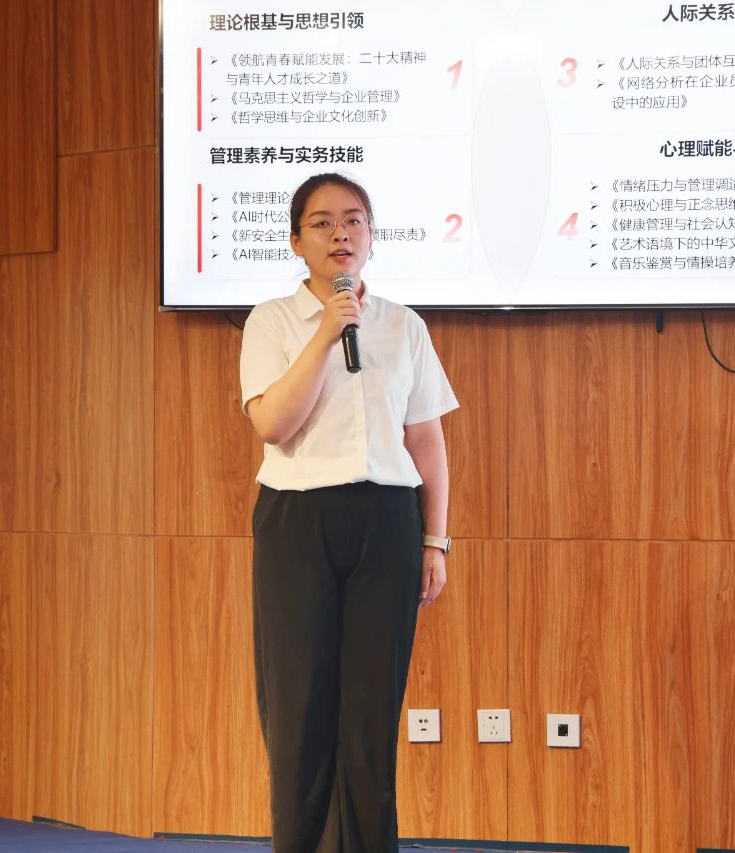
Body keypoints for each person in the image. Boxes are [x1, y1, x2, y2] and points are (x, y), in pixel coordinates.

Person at [239, 173, 459, 852]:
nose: (341, 233)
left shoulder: (403, 324)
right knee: (300, 712)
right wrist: (326, 334)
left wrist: (435, 540)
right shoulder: (271, 321)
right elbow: (273, 423)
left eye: (355, 219)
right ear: (295, 240)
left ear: (372, 235)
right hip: (297, 522)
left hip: (387, 522)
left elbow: (426, 440)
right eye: (323, 222)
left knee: (370, 720)